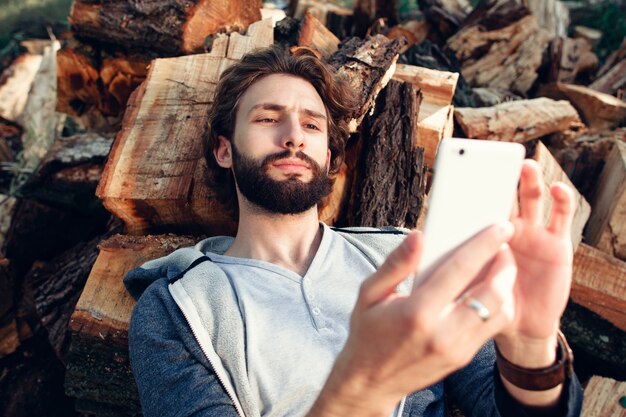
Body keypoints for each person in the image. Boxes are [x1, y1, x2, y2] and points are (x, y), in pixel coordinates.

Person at [125, 45, 583, 417]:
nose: (294, 136)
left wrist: (529, 345)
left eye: (312, 124)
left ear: (328, 158)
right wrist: (365, 389)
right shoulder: (176, 309)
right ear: (224, 151)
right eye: (267, 118)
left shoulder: (403, 257)